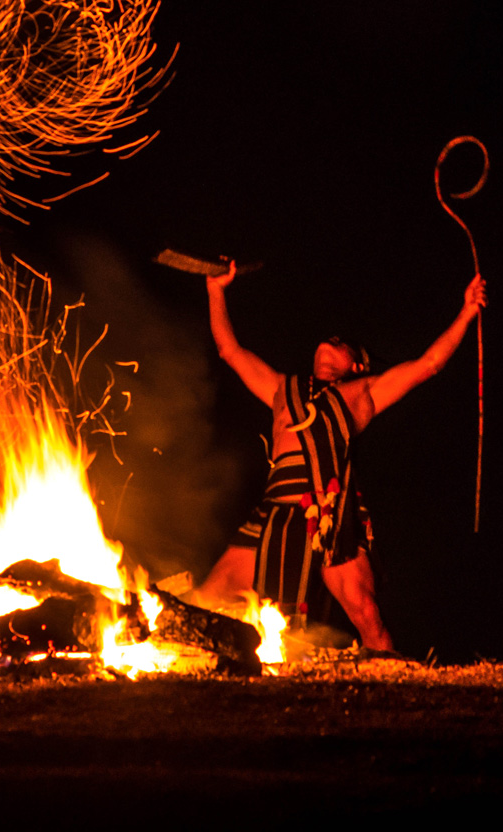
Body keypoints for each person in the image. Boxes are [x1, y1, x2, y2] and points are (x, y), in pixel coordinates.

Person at [190, 263, 486, 652]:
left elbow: (428, 364)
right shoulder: (282, 388)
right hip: (275, 512)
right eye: (325, 340)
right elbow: (230, 350)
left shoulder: (362, 393)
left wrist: (466, 312)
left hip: (328, 515)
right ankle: (190, 665)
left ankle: (393, 686)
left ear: (357, 365)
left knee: (366, 614)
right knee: (209, 596)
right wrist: (216, 291)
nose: (329, 344)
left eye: (341, 345)